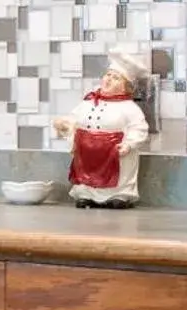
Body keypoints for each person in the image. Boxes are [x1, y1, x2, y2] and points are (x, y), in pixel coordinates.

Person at [52, 53, 151, 208]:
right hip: (86, 153)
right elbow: (75, 118)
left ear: (126, 87)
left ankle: (118, 196)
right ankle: (86, 194)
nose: (109, 79)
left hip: (113, 152)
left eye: (116, 77)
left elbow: (139, 128)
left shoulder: (129, 108)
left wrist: (129, 144)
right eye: (107, 75)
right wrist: (65, 125)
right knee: (85, 175)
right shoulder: (89, 102)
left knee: (119, 176)